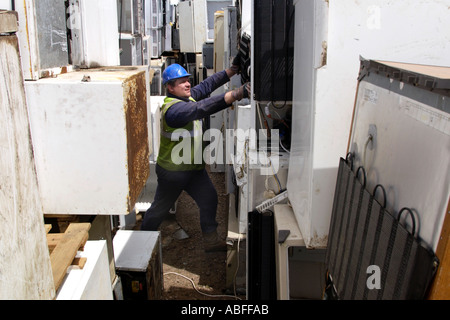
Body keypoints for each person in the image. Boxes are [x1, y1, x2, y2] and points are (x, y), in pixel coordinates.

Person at [141, 57, 250, 253]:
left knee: (209, 198)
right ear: (170, 88)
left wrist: (231, 71)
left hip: (193, 169)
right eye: (181, 82)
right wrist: (236, 94)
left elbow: (207, 85)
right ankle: (141, 243)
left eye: (187, 80)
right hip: (173, 173)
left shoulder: (187, 96)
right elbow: (200, 108)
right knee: (159, 210)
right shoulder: (173, 110)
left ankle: (211, 240)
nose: (187, 84)